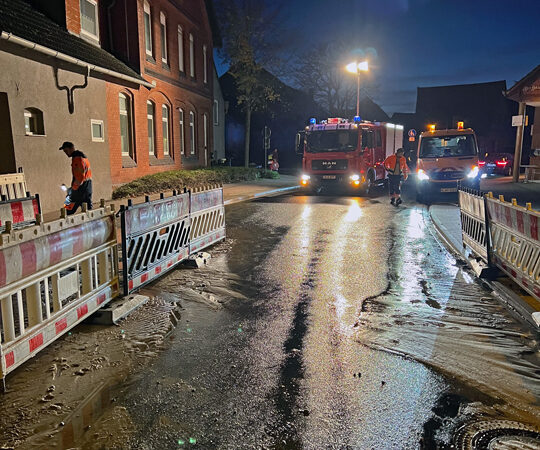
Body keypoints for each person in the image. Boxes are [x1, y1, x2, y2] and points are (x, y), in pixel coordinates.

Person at [59, 141, 93, 215]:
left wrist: (72, 190)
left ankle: (65, 224)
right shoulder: (82, 157)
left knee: (67, 212)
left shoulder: (77, 159)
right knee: (89, 212)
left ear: (72, 148)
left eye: (66, 151)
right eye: (64, 151)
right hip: (86, 188)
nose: (66, 153)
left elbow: (80, 177)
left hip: (80, 189)